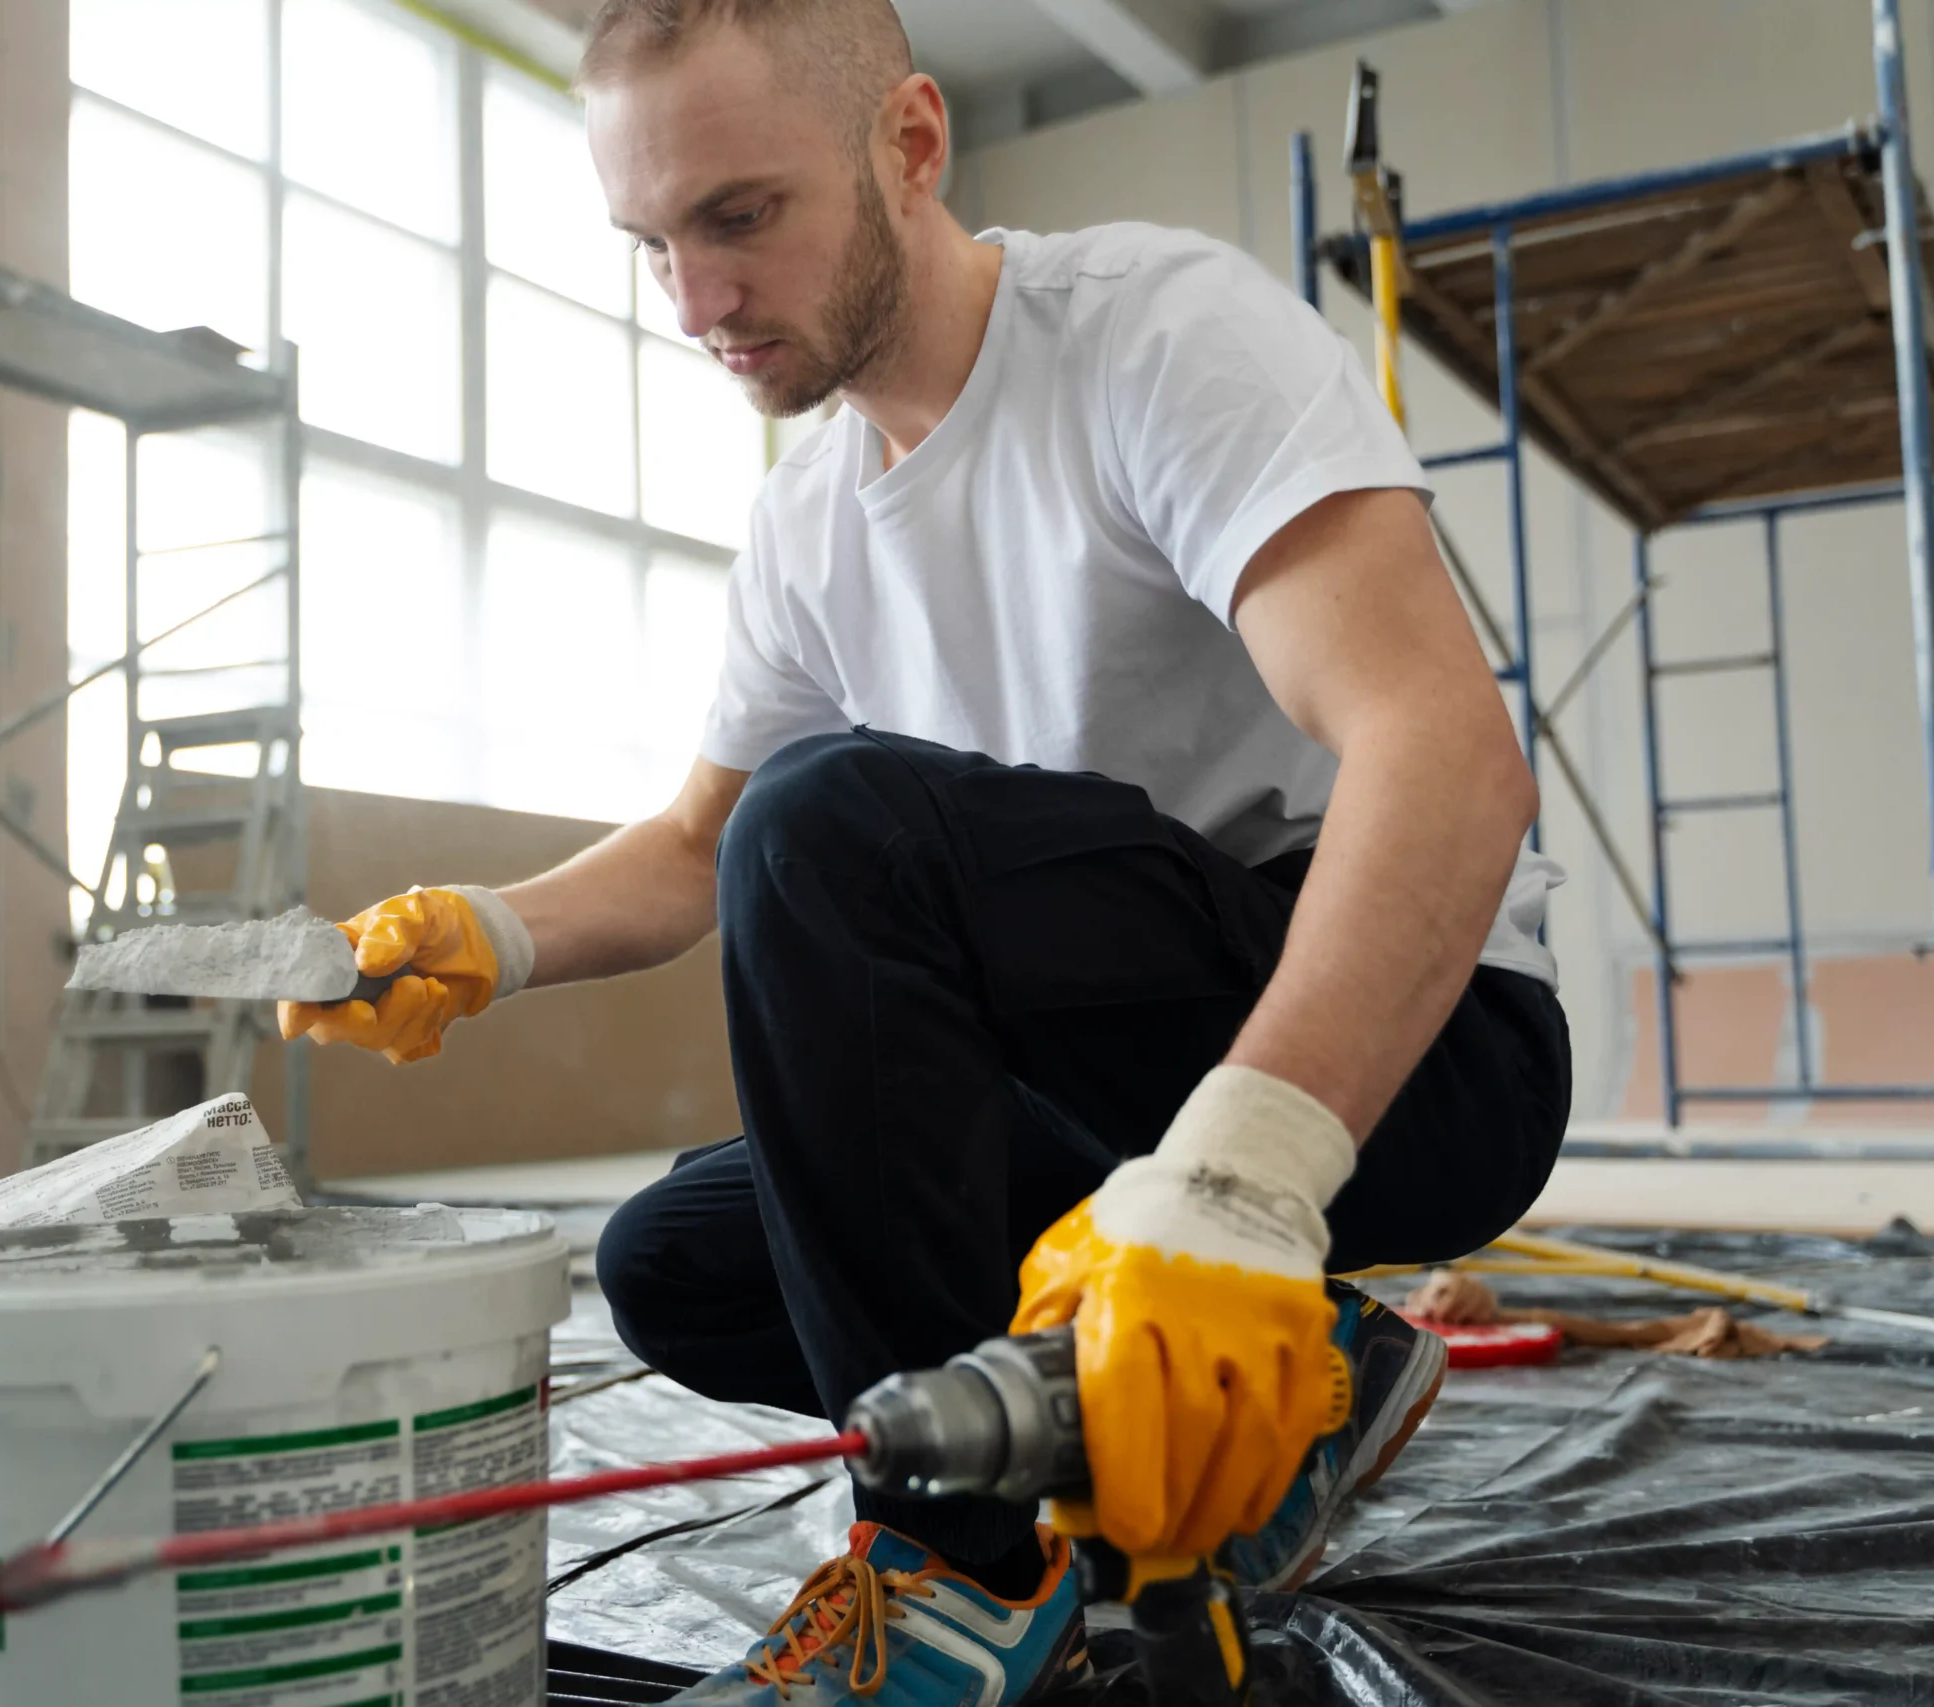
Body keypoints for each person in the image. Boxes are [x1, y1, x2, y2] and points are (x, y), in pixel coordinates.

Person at [281, 1, 1572, 1701]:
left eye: (742, 217)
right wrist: (484, 930)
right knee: (672, 1265)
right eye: (653, 244)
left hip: (1404, 1054)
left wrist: (1240, 1181)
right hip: (1099, 1070)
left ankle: (958, 1569)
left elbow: (1446, 752)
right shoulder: (807, 518)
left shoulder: (1151, 334)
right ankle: (1277, 1393)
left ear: (910, 144)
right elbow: (693, 846)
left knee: (834, 821)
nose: (698, 303)